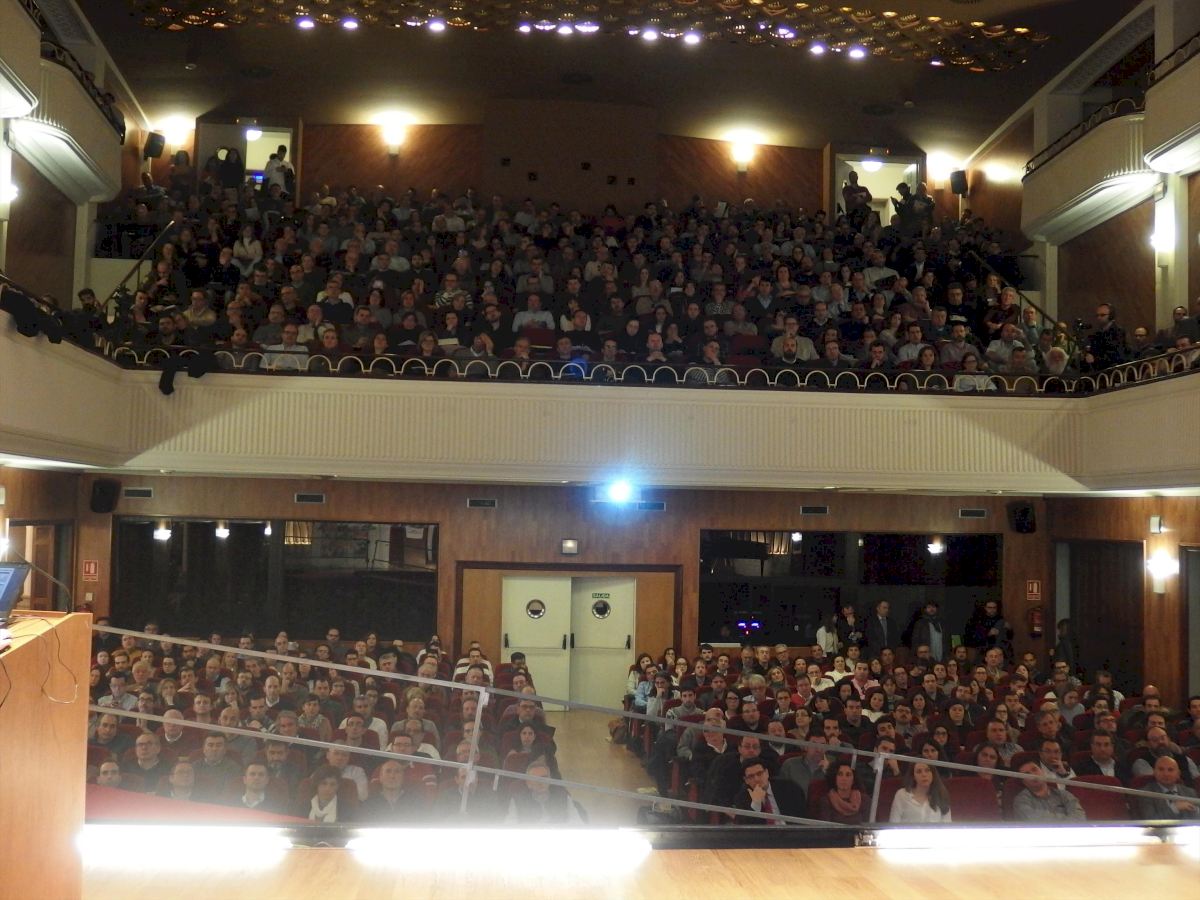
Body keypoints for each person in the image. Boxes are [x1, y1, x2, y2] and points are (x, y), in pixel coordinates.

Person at [731, 755, 806, 825]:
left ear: (767, 773)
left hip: (790, 831)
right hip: (763, 834)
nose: (756, 779)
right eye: (751, 776)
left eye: (759, 773)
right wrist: (756, 804)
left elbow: (801, 816)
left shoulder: (789, 788)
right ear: (746, 780)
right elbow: (743, 827)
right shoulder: (741, 797)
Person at [1011, 760, 1086, 821]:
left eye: (1034, 770)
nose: (1033, 775)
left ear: (1043, 772)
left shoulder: (1064, 794)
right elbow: (1035, 821)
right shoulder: (1020, 800)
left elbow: (1080, 817)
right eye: (1027, 774)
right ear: (1023, 782)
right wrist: (1067, 818)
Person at [1133, 756, 1199, 820]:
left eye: (1170, 770)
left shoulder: (1190, 792)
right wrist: (1175, 808)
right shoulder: (1146, 794)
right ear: (1154, 772)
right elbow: (1151, 820)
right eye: (1161, 769)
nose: (1166, 774)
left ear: (1178, 774)